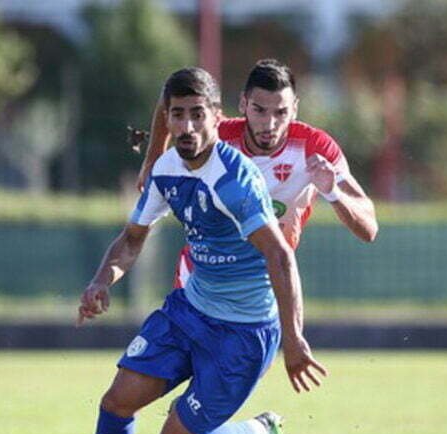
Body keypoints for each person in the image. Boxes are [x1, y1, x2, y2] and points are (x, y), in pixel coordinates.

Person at [51, 67, 326, 434]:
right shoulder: (166, 169)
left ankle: (259, 432)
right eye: (178, 115)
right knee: (117, 402)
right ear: (169, 119)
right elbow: (132, 240)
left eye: (198, 115)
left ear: (218, 118)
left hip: (244, 332)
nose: (188, 126)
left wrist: (294, 338)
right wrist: (101, 281)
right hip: (190, 311)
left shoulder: (233, 180)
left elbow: (280, 255)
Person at [136, 59, 378, 287]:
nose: (269, 124)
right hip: (202, 274)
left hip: (264, 279)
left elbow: (369, 229)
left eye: (280, 112)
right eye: (259, 110)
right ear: (243, 104)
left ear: (294, 110)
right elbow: (171, 97)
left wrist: (333, 193)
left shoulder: (314, 147)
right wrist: (153, 158)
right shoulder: (218, 137)